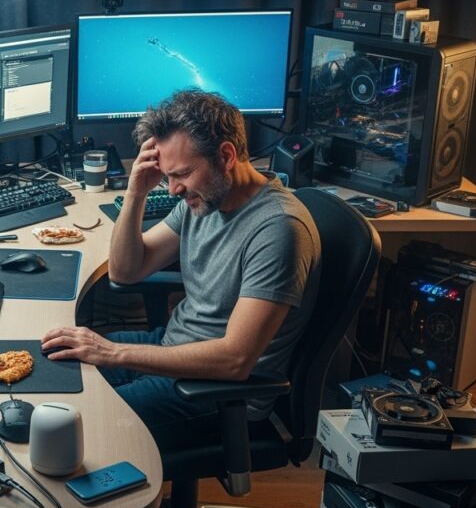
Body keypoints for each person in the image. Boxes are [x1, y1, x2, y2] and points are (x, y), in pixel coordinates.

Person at [41, 89, 322, 453]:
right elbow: (126, 272)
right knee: (53, 372)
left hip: (218, 394)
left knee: (74, 424)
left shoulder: (279, 230)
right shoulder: (203, 198)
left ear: (226, 155)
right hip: (172, 350)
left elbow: (235, 360)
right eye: (167, 176)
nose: (173, 189)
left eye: (183, 174)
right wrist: (136, 193)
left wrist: (112, 352)